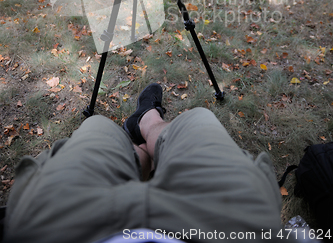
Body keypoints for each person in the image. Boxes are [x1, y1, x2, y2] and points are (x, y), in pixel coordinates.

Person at [3, 84, 282, 243]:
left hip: (57, 228)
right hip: (236, 228)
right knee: (198, 120)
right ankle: (148, 122)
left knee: (97, 126)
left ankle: (138, 153)